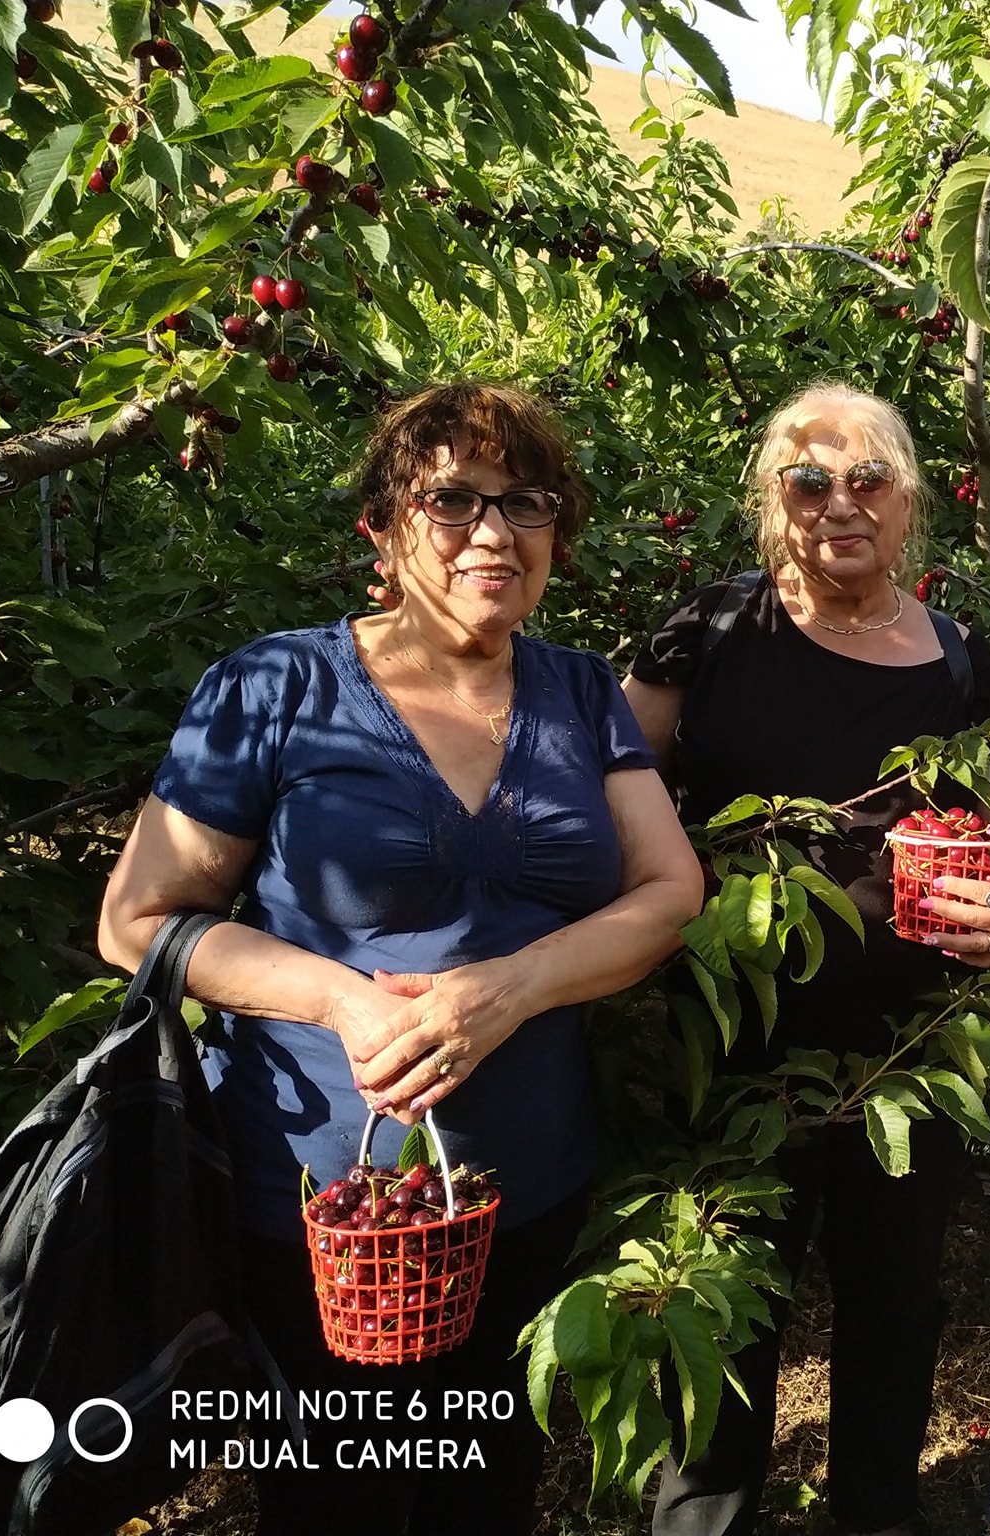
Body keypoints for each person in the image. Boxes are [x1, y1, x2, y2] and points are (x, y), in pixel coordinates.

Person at [98, 383, 706, 1535]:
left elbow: (670, 891)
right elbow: (140, 918)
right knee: (334, 1492)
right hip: (323, 1205)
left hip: (520, 1190)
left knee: (485, 1481)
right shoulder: (276, 687)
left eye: (527, 504)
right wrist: (338, 1002)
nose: (493, 532)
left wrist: (510, 988)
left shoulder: (579, 692)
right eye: (453, 500)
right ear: (380, 530)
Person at [623, 381, 990, 1536]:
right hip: (730, 1049)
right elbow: (607, 794)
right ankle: (701, 1521)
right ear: (771, 500)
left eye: (865, 479)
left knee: (892, 1309)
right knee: (723, 1311)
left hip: (907, 1053)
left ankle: (873, 1511)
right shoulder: (710, 631)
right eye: (807, 481)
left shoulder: (956, 657)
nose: (839, 505)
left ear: (906, 498)